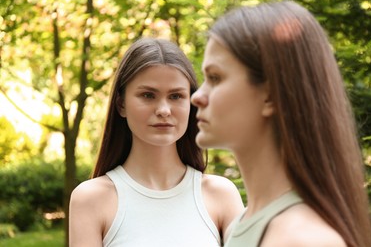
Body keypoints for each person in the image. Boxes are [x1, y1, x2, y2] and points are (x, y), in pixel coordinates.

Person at [191, 0, 371, 247]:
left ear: (270, 95)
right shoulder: (242, 224)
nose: (197, 96)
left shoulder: (304, 239)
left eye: (215, 78)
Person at [69, 37, 244, 247]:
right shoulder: (91, 199)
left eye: (176, 96)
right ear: (121, 104)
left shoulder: (221, 195)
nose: (163, 110)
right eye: (148, 95)